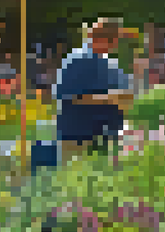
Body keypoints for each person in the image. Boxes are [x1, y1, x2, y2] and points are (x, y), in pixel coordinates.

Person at [53, 18, 134, 165]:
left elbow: (124, 98)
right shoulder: (77, 59)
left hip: (108, 138)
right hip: (77, 137)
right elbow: (69, 97)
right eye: (111, 39)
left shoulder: (112, 65)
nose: (114, 44)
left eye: (115, 39)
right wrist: (110, 98)